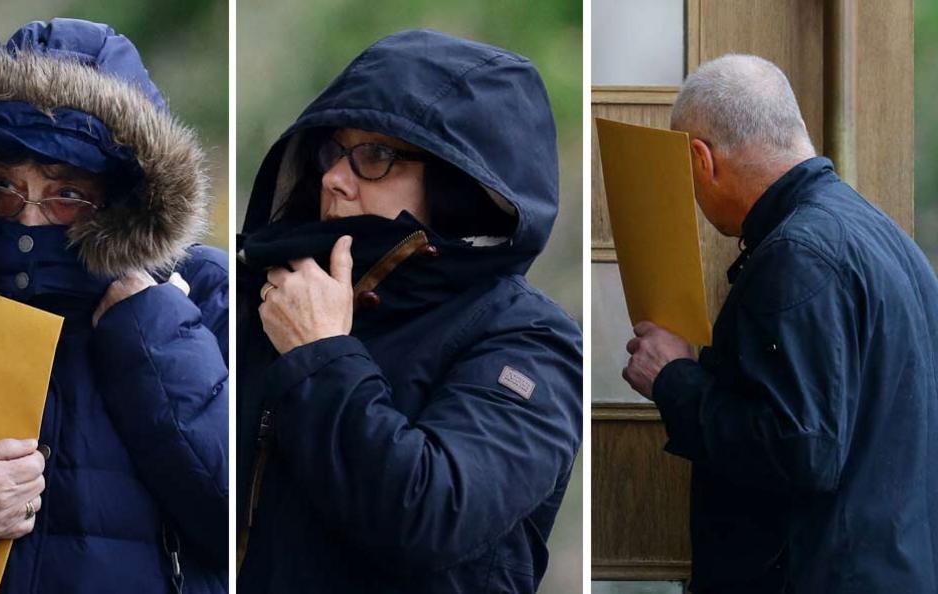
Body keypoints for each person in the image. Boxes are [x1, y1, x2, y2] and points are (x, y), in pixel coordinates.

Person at [0, 18, 228, 593]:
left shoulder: (204, 290)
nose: (27, 218)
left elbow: (239, 520)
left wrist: (150, 329)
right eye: (4, 186)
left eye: (66, 193)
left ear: (126, 196)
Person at [236, 29, 582, 593]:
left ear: (459, 185)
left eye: (374, 156)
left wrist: (319, 355)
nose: (332, 177)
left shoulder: (529, 340)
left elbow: (430, 515)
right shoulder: (272, 292)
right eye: (333, 150)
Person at [622, 54, 938, 593]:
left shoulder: (798, 254)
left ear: (701, 158)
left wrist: (674, 378)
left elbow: (801, 450)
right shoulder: (884, 235)